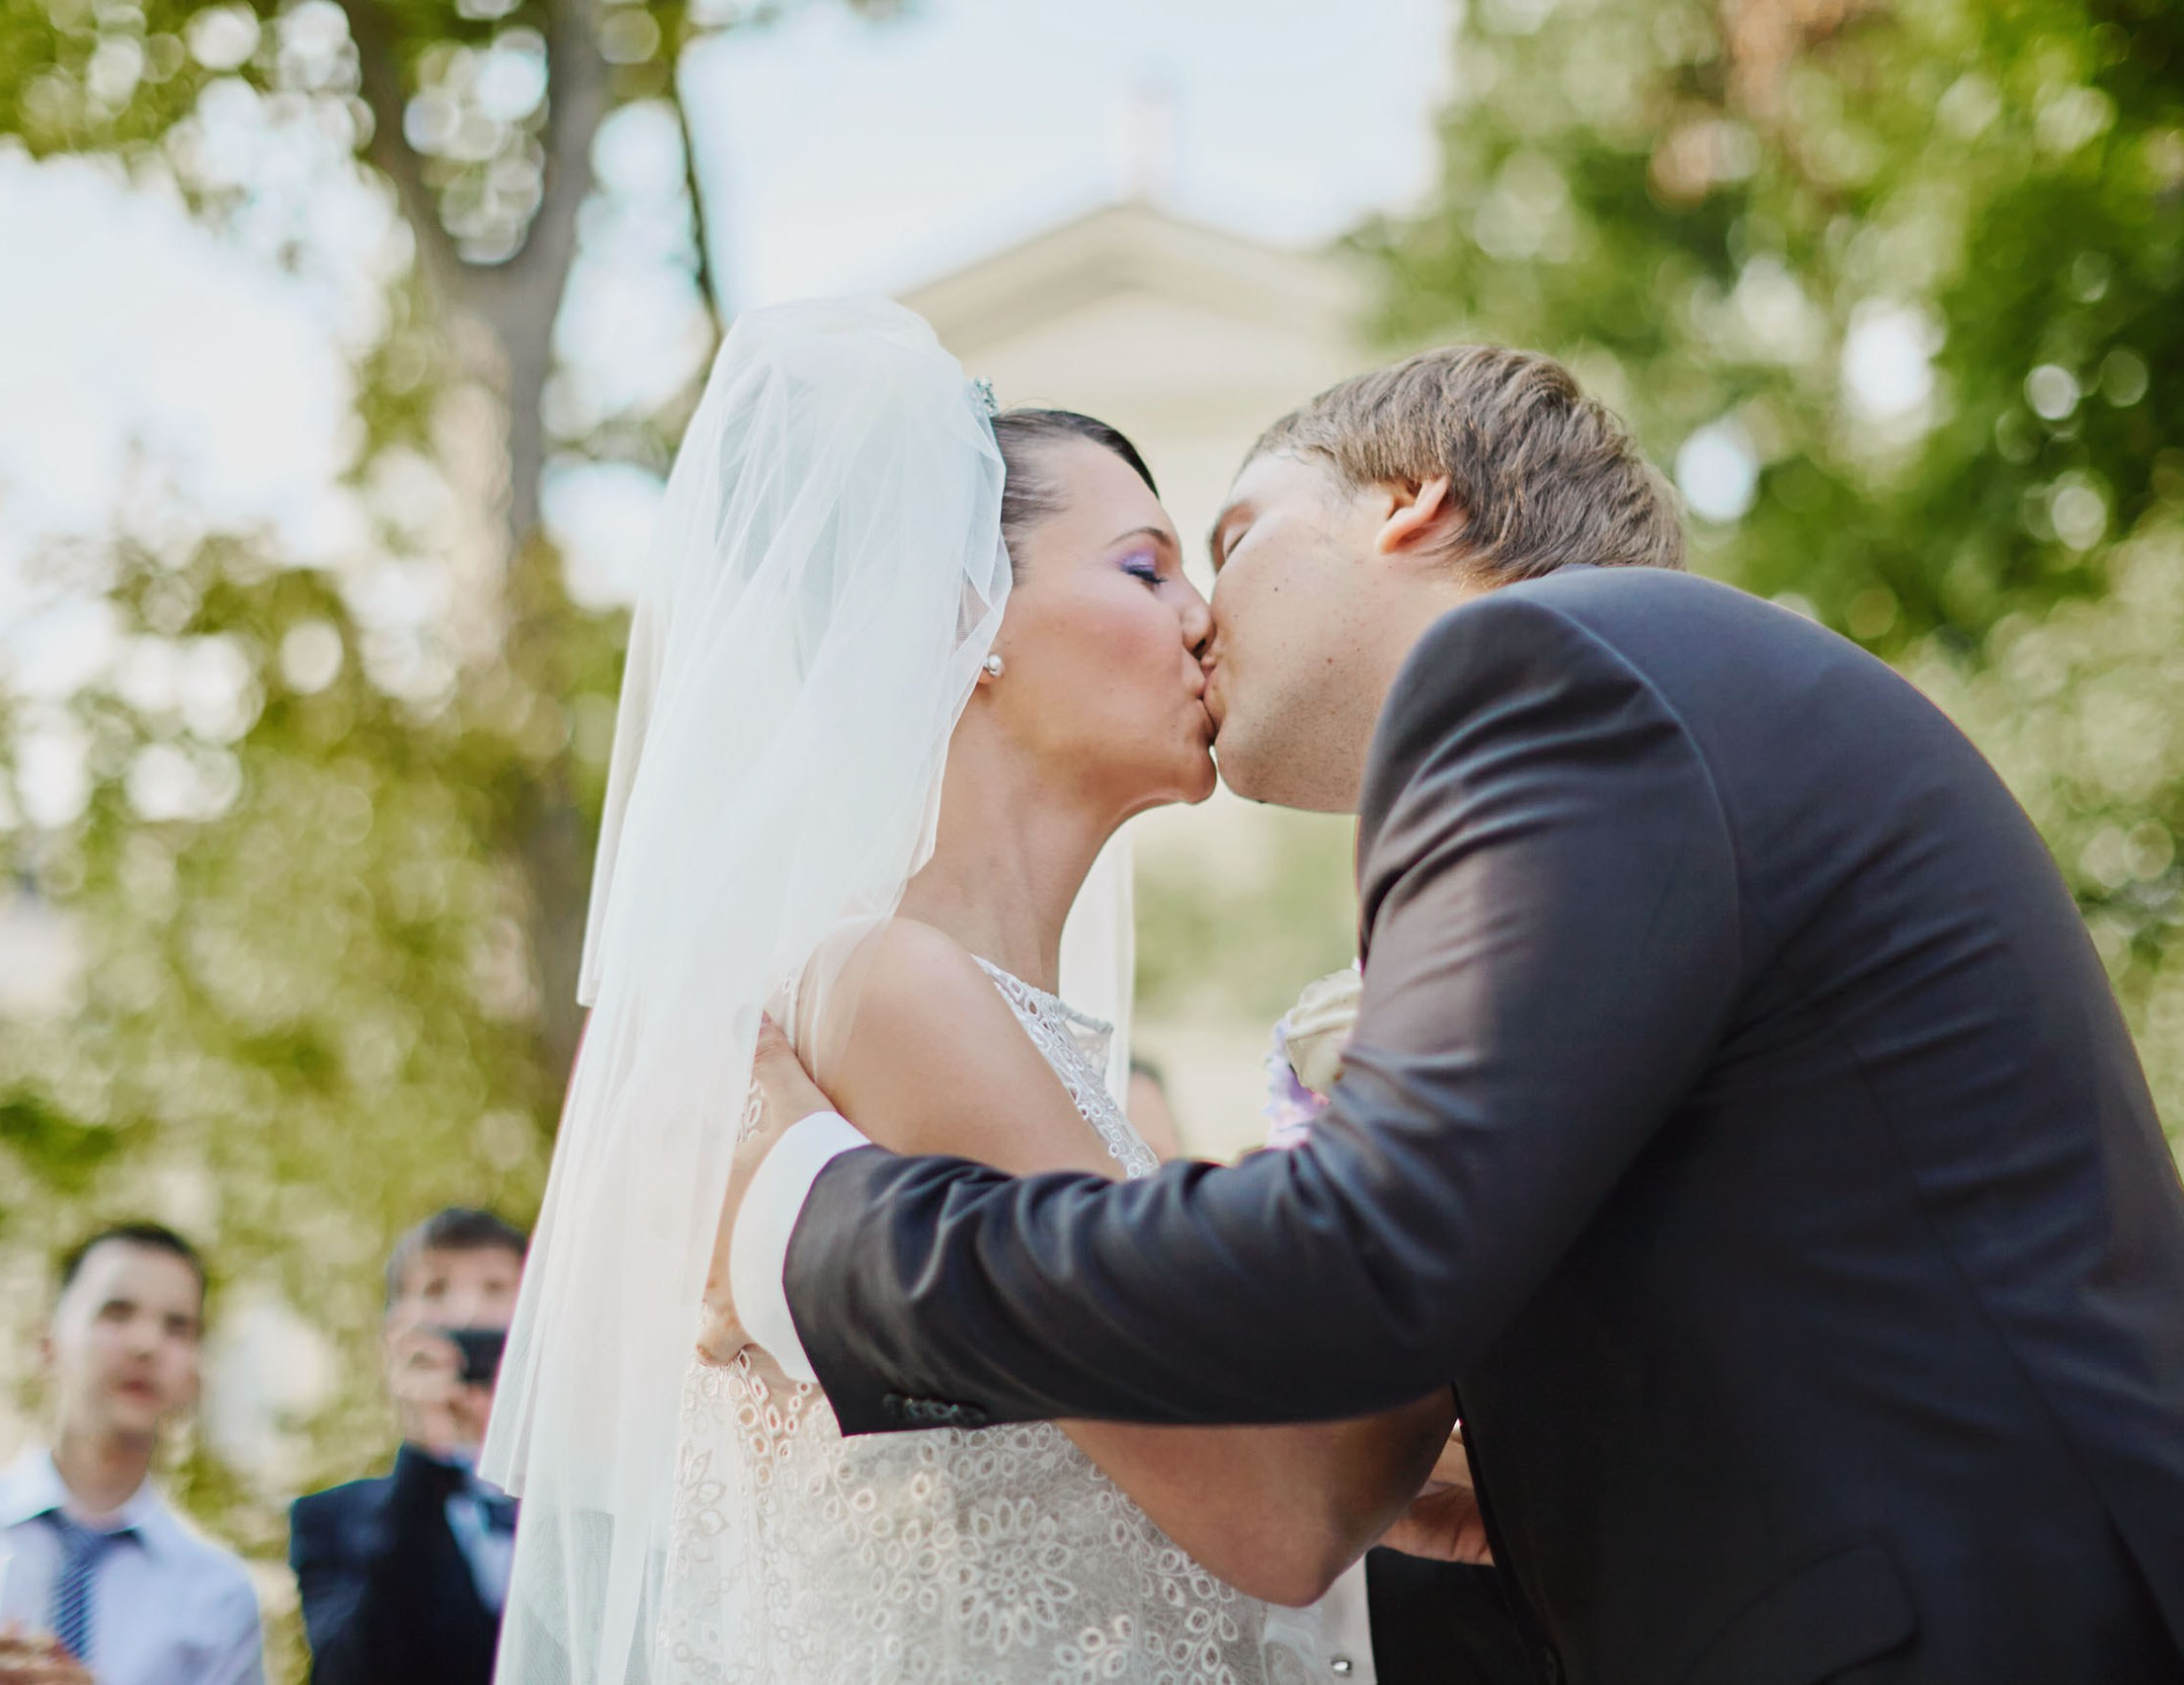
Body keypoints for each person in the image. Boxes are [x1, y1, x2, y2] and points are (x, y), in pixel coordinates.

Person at [717, 345, 2184, 1684]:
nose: (1204, 619)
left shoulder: (1535, 675)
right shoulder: (1626, 745)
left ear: (1408, 505)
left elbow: (1362, 1273)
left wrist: (820, 1232)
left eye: (1224, 542)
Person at [483, 298, 1463, 1685]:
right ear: (962, 618)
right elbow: (1275, 1501)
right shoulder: (888, 990)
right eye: (1147, 566)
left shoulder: (1002, 1027)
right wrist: (1478, 1164)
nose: (1206, 619)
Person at [0, 1224, 263, 1685]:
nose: (145, 1344)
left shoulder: (219, 1598)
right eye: (116, 1312)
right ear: (47, 1344)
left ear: (195, 1374)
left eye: (178, 1327)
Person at [288, 1208, 526, 1685]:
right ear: (391, 1334)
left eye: (495, 1289)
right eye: (436, 1291)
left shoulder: (607, 1511)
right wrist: (425, 1460)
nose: (467, 1313)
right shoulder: (329, 1520)